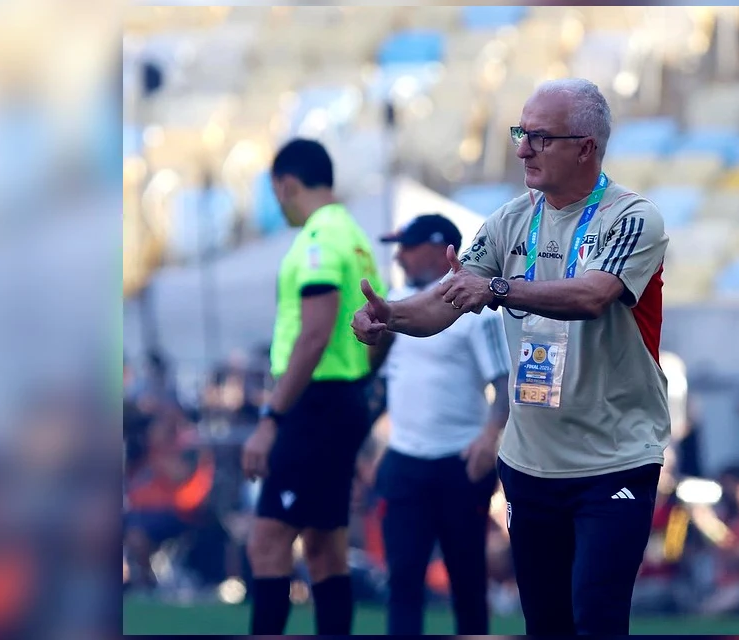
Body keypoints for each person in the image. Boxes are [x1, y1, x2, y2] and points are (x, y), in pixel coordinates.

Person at [352, 78, 670, 635]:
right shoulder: (509, 220)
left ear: (585, 148)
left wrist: (498, 289)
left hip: (615, 460)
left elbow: (593, 296)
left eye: (539, 138)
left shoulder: (633, 218)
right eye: (521, 133)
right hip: (530, 464)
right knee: (546, 625)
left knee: (596, 615)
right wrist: (392, 316)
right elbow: (448, 301)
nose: (522, 148)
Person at [241, 138, 385, 635]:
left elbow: (315, 334)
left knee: (268, 542)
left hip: (311, 403)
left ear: (286, 185)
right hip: (341, 399)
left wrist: (270, 419)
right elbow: (380, 328)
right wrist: (362, 388)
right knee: (325, 550)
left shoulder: (320, 239)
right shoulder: (357, 238)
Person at [367, 213, 512, 635]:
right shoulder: (395, 304)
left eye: (407, 247)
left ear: (434, 248)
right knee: (402, 582)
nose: (399, 256)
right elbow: (382, 381)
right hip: (405, 461)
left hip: (459, 463)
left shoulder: (474, 309)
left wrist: (490, 435)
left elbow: (502, 381)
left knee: (467, 582)